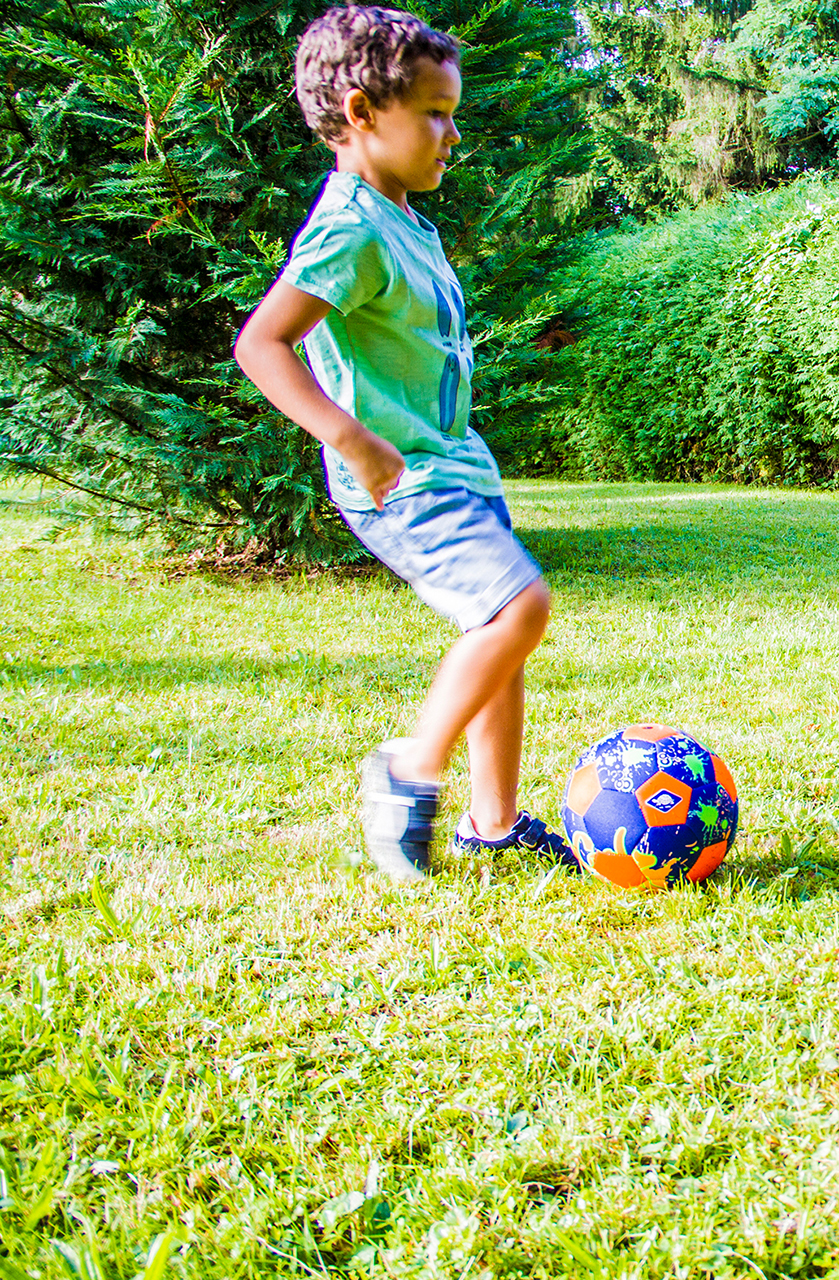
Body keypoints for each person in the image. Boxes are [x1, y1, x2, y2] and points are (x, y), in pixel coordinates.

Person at [234, 5, 569, 879]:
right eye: (435, 113)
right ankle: (410, 769)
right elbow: (261, 344)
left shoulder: (404, 219)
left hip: (455, 465)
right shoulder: (349, 226)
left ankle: (493, 824)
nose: (453, 134)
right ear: (362, 113)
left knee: (498, 636)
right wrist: (349, 438)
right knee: (517, 609)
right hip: (399, 477)